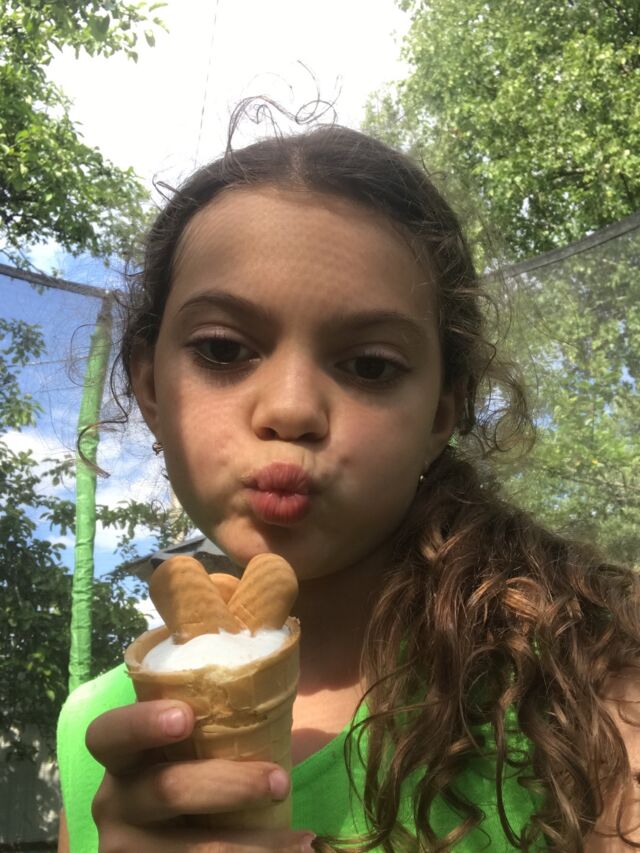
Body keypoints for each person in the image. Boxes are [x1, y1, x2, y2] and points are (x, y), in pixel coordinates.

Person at [56, 120, 640, 852]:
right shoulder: (96, 739)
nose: (292, 408)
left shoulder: (586, 685)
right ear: (150, 386)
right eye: (223, 349)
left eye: (369, 365)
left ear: (440, 415)